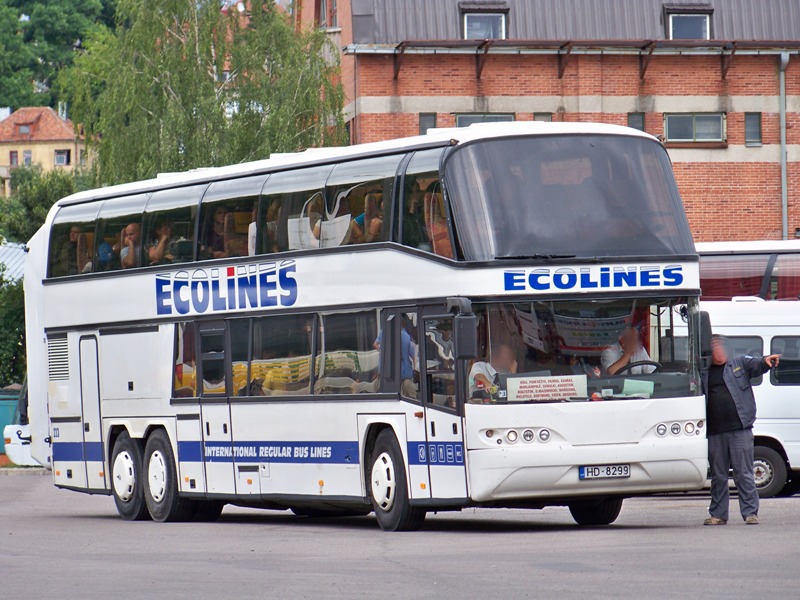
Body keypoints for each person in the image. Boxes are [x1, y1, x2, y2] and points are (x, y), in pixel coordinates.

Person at [702, 335, 780, 526]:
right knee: (718, 476)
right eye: (714, 348)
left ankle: (750, 513)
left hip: (740, 430)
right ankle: (718, 515)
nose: (718, 352)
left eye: (720, 347)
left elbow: (756, 364)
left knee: (743, 473)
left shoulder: (738, 364)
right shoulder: (704, 372)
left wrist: (765, 361)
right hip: (714, 432)